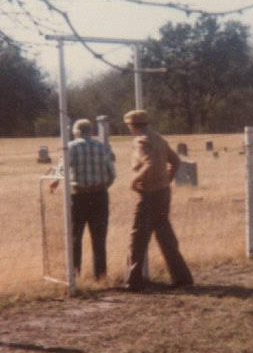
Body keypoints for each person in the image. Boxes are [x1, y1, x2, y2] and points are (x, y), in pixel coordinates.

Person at [123, 109, 194, 292]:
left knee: (137, 237)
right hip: (163, 192)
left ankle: (133, 282)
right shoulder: (158, 137)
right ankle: (182, 277)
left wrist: (134, 180)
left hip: (149, 194)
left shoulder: (141, 140)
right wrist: (168, 180)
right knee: (165, 236)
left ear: (132, 126)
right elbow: (176, 161)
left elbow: (150, 164)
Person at [50, 118, 115, 280]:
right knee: (99, 238)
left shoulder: (71, 147)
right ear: (90, 131)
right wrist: (101, 186)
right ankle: (100, 276)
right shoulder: (103, 147)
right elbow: (112, 174)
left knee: (75, 237)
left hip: (78, 196)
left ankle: (75, 276)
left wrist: (54, 180)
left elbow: (61, 171)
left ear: (75, 131)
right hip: (100, 195)